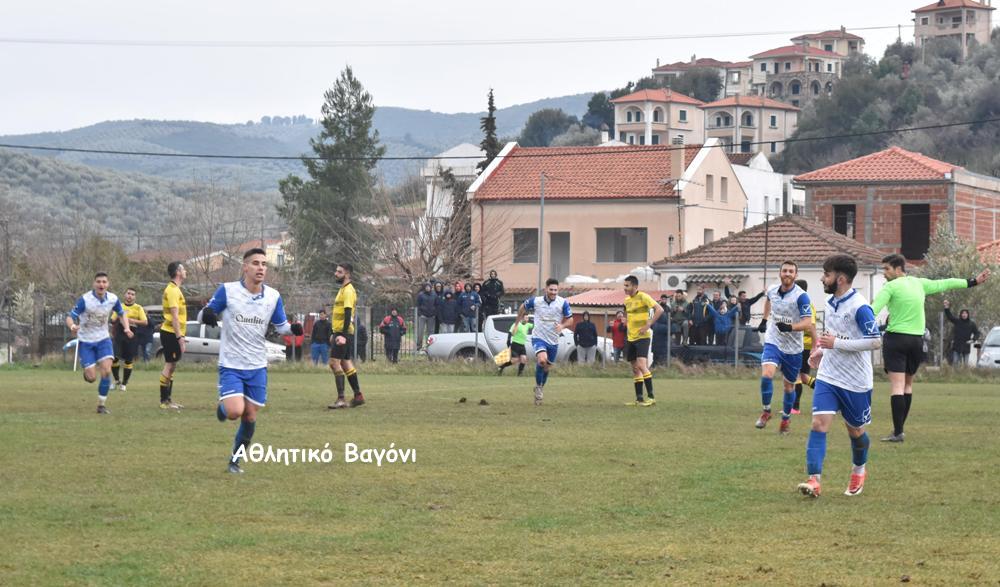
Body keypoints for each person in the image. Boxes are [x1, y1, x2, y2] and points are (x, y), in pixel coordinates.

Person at [199, 248, 303, 474]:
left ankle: (234, 462)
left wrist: (292, 329)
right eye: (256, 263)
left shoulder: (273, 296)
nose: (261, 268)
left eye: (264, 264)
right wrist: (207, 315)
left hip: (257, 364)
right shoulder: (228, 290)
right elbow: (205, 313)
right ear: (245, 267)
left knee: (250, 415)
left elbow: (281, 325)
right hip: (231, 364)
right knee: (235, 411)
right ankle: (224, 407)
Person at [872, 254, 990, 442]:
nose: (884, 274)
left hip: (895, 339)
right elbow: (947, 282)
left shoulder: (891, 287)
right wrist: (973, 281)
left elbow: (873, 310)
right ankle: (899, 430)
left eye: (886, 269)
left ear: (898, 269)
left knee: (897, 385)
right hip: (916, 341)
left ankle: (898, 432)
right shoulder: (920, 283)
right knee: (908, 385)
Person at [797, 254, 881, 498]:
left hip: (855, 381)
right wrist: (822, 351)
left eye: (827, 274)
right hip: (829, 376)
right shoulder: (831, 302)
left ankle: (859, 469)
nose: (823, 278)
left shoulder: (860, 306)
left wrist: (835, 344)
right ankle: (814, 481)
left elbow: (875, 341)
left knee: (855, 431)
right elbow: (835, 337)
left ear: (841, 279)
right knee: (818, 423)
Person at [754, 261, 816, 434]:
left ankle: (786, 419)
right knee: (767, 375)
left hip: (794, 347)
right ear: (780, 273)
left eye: (791, 271)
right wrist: (765, 320)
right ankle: (766, 411)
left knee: (789, 387)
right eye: (785, 271)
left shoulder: (801, 296)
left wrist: (790, 327)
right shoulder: (773, 290)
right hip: (774, 340)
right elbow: (768, 301)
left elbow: (807, 322)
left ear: (796, 275)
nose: (787, 273)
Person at [66, 272, 132, 414]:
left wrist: (126, 328)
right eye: (98, 282)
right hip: (86, 341)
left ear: (107, 284)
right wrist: (72, 326)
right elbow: (70, 317)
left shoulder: (113, 299)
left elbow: (122, 313)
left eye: (104, 282)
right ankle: (87, 373)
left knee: (107, 371)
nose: (101, 284)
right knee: (91, 377)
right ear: (94, 284)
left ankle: (101, 405)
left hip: (103, 339)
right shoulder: (85, 299)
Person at [516, 278, 574, 406]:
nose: (553, 292)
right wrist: (517, 322)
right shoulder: (536, 301)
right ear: (546, 289)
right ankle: (538, 386)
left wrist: (562, 326)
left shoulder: (562, 303)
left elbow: (570, 320)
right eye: (551, 289)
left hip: (553, 340)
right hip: (538, 337)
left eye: (556, 290)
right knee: (542, 360)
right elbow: (522, 307)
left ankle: (540, 388)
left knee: (547, 367)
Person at [328, 263, 365, 409]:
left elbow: (348, 313)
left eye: (339, 272)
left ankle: (341, 399)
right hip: (340, 332)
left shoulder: (348, 290)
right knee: (345, 363)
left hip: (344, 333)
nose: (335, 274)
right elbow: (339, 313)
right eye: (336, 271)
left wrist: (342, 335)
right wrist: (333, 332)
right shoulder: (342, 289)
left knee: (334, 363)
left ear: (347, 274)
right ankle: (358, 396)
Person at [623, 275, 664, 406]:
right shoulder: (627, 300)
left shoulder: (643, 297)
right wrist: (626, 323)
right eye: (624, 285)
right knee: (635, 369)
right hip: (631, 337)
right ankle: (639, 398)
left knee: (642, 365)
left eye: (627, 285)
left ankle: (651, 397)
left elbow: (659, 309)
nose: (625, 288)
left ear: (635, 286)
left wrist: (648, 325)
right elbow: (628, 316)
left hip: (642, 337)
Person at [159, 261, 187, 410]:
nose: (185, 271)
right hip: (170, 333)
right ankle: (164, 401)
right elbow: (175, 317)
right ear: (178, 272)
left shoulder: (175, 289)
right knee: (169, 365)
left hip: (173, 333)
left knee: (172, 366)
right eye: (183, 268)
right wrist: (179, 337)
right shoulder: (172, 290)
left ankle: (168, 400)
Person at [110, 287, 147, 392]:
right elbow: (112, 319)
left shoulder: (138, 308)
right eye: (128, 293)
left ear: (135, 297)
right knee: (114, 358)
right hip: (119, 334)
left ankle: (124, 384)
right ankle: (116, 380)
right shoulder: (119, 306)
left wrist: (131, 320)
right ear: (125, 295)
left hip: (132, 335)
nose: (130, 296)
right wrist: (119, 317)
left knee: (128, 360)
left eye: (132, 294)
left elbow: (145, 322)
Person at [792, 279, 818, 415]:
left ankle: (795, 408)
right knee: (803, 377)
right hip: (799, 345)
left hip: (803, 346)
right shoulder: (799, 304)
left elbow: (810, 326)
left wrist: (815, 345)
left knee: (796, 376)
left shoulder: (806, 305)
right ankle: (832, 393)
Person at [943, 300, 980, 367]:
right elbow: (950, 317)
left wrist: (973, 339)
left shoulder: (971, 324)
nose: (964, 314)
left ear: (968, 314)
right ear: (961, 314)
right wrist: (946, 308)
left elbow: (977, 333)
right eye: (963, 313)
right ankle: (955, 376)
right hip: (957, 346)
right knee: (955, 363)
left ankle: (965, 375)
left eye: (965, 313)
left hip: (966, 346)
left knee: (965, 365)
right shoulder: (957, 321)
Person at [415, 283, 437, 351]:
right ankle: (419, 346)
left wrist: (434, 313)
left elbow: (436, 304)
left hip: (431, 316)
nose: (427, 288)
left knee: (430, 333)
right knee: (420, 331)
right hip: (423, 316)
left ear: (431, 287)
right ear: (424, 288)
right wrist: (420, 314)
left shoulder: (434, 295)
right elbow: (417, 305)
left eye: (429, 287)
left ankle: (429, 346)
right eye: (426, 287)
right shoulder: (421, 295)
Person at [651, 300, 671, 367]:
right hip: (659, 346)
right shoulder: (661, 322)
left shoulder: (657, 321)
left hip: (659, 346)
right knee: (659, 362)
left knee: (658, 361)